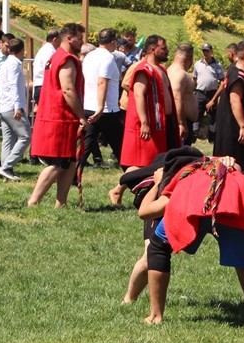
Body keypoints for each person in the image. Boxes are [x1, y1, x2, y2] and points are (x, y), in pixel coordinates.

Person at [135, 150, 244, 331]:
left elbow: (144, 212)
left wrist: (158, 184)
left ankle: (155, 316)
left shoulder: (183, 176)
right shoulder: (225, 165)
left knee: (158, 247)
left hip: (196, 201)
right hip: (233, 204)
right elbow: (235, 170)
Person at [28, 22, 87, 207]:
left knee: (69, 162)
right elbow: (68, 89)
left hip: (62, 117)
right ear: (69, 38)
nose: (82, 42)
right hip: (60, 117)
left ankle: (61, 203)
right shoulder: (66, 59)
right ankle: (33, 201)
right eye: (80, 38)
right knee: (57, 163)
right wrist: (81, 115)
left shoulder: (57, 56)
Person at [121, 35, 180, 169]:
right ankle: (118, 189)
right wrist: (144, 122)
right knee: (146, 162)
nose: (167, 51)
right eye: (164, 48)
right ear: (153, 49)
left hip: (166, 121)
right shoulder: (143, 70)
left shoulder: (162, 69)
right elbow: (138, 95)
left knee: (166, 160)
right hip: (151, 123)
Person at [212, 39, 244, 172]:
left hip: (242, 124)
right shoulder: (238, 75)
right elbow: (235, 101)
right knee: (234, 165)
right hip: (234, 128)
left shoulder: (242, 71)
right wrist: (243, 126)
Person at [82, 27, 123, 168]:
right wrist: (100, 108)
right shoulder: (108, 58)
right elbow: (102, 81)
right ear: (113, 42)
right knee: (119, 145)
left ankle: (74, 173)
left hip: (88, 105)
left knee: (87, 144)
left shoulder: (89, 56)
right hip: (106, 110)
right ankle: (131, 172)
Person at [0, 37, 31, 181]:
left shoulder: (6, 63)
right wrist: (18, 107)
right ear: (22, 50)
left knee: (8, 140)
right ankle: (6, 167)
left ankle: (6, 172)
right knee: (26, 136)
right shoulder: (14, 65)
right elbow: (13, 86)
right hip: (12, 107)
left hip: (3, 107)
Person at [193, 42, 224, 142]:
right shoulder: (198, 64)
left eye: (207, 51)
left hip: (212, 94)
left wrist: (215, 98)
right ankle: (193, 137)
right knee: (197, 116)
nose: (205, 53)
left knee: (213, 118)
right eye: (204, 51)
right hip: (200, 93)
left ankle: (212, 139)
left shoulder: (217, 65)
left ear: (211, 51)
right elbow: (194, 78)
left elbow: (222, 81)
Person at [30, 27, 59, 108]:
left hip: (41, 86)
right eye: (61, 39)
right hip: (44, 87)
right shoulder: (49, 51)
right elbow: (51, 67)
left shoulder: (46, 49)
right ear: (55, 39)